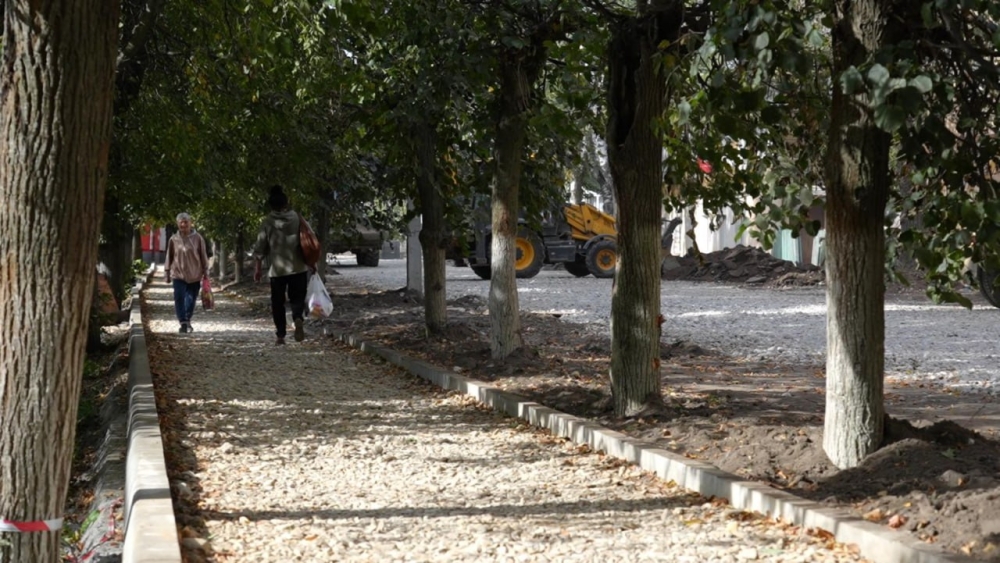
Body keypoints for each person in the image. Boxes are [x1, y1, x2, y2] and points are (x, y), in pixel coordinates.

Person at [253, 185, 311, 345]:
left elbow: (260, 246)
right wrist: (312, 262)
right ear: (286, 203)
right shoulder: (297, 218)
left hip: (277, 270)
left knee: (277, 303)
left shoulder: (267, 222)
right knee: (297, 298)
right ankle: (298, 318)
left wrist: (257, 268)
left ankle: (280, 335)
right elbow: (308, 238)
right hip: (298, 267)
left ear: (271, 205)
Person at [164, 212, 210, 333]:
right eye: (181, 223)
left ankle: (187, 318)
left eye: (186, 222)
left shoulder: (198, 238)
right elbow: (169, 256)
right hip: (178, 274)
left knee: (191, 298)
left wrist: (206, 270)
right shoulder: (173, 239)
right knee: (179, 297)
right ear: (177, 224)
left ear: (190, 223)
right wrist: (167, 271)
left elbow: (203, 255)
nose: (183, 225)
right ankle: (183, 321)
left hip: (195, 274)